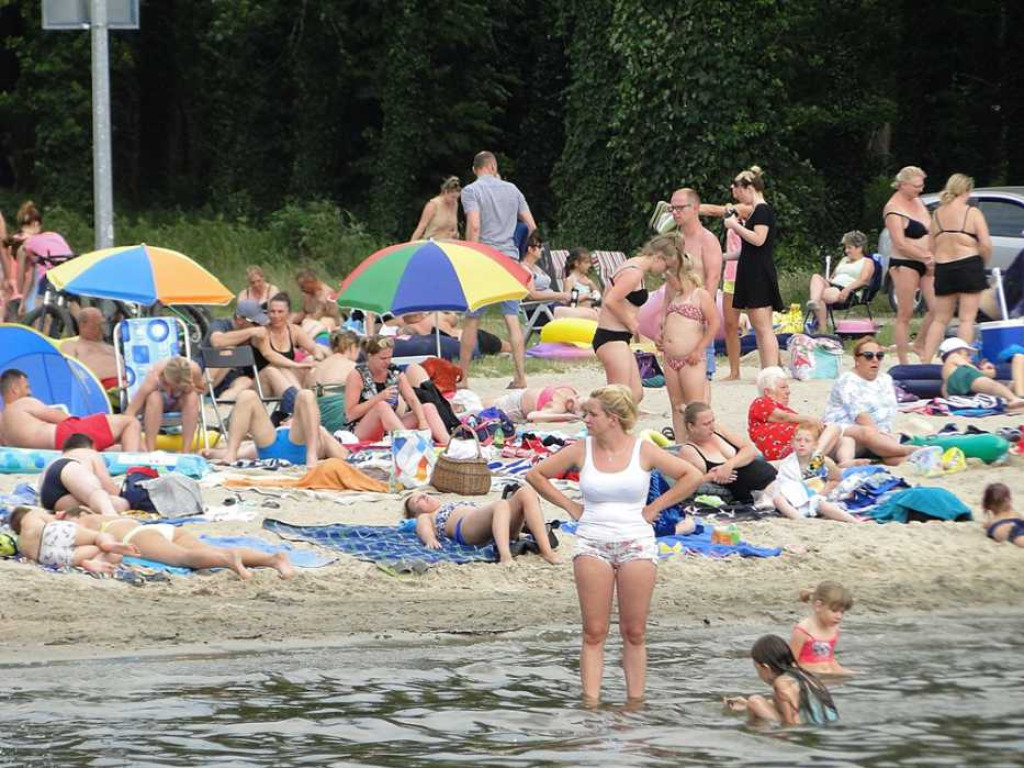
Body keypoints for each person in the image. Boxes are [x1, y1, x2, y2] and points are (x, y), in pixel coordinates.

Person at [526, 385, 704, 703]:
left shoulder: (643, 450)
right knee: (594, 632)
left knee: (634, 632)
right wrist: (571, 507)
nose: (586, 419)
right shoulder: (582, 449)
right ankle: (591, 704)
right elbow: (536, 475)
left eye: (592, 414)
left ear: (613, 418)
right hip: (592, 541)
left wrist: (654, 508)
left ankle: (635, 704)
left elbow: (691, 475)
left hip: (636, 541)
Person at [458, 151, 538, 389]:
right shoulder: (513, 190)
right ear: (493, 166)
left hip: (484, 258)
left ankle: (463, 378)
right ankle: (521, 376)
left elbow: (474, 225)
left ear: (476, 169)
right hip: (510, 260)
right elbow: (532, 226)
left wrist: (470, 255)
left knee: (471, 319)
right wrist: (521, 253)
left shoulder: (471, 191)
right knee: (512, 318)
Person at [64, 507, 295, 579]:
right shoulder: (110, 516)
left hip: (135, 538)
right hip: (163, 529)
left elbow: (97, 544)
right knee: (208, 549)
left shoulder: (86, 522)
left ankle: (228, 560)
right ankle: (273, 560)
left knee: (184, 558)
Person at [593, 234, 679, 404]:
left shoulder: (634, 266)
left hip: (620, 338)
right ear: (659, 257)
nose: (664, 271)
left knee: (636, 393)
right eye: (666, 266)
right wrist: (631, 323)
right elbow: (610, 300)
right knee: (619, 397)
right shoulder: (633, 272)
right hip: (611, 336)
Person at [822, 337, 932, 465]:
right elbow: (860, 416)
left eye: (879, 356)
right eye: (868, 356)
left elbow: (888, 413)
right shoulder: (848, 380)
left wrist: (884, 435)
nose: (875, 359)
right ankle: (910, 450)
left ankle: (920, 459)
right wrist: (879, 434)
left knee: (891, 457)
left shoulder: (885, 379)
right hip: (844, 429)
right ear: (857, 359)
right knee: (867, 432)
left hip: (877, 434)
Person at [920, 174, 993, 361]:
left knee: (940, 319)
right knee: (967, 319)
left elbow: (931, 246)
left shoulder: (937, 214)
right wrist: (982, 261)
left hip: (944, 267)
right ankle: (962, 359)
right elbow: (985, 243)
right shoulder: (972, 213)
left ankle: (926, 359)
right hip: (968, 263)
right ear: (966, 191)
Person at [403, 484, 558, 565]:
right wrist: (430, 539)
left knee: (526, 492)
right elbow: (423, 527)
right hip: (465, 529)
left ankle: (546, 551)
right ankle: (505, 556)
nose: (424, 496)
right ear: (415, 513)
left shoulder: (446, 504)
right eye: (419, 500)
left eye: (424, 494)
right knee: (501, 504)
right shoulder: (426, 516)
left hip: (495, 524)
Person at [724, 166, 783, 368]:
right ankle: (767, 368)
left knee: (763, 327)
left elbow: (759, 240)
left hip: (759, 275)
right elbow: (750, 250)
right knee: (760, 328)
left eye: (740, 192)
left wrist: (735, 226)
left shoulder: (762, 210)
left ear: (750, 188)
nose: (740, 199)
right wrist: (723, 256)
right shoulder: (757, 211)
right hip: (751, 271)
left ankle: (772, 368)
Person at [342, 336, 450, 445]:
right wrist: (379, 398)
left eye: (390, 357)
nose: (387, 362)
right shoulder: (357, 375)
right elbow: (350, 415)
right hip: (362, 429)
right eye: (383, 358)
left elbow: (412, 399)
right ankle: (409, 443)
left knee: (427, 408)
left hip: (389, 427)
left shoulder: (394, 372)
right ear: (370, 356)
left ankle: (449, 445)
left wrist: (422, 421)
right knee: (382, 406)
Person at [0, 369, 141, 452]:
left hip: (55, 447)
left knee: (119, 439)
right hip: (64, 437)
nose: (30, 392)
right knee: (129, 423)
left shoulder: (2, 420)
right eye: (27, 387)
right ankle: (133, 469)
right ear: (15, 389)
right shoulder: (23, 403)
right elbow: (61, 418)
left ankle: (145, 458)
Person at [204, 388, 348, 467]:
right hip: (271, 447)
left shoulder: (318, 431)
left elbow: (343, 456)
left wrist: (321, 432)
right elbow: (244, 452)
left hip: (302, 447)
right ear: (282, 423)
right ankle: (231, 454)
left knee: (306, 394)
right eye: (287, 418)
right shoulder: (277, 432)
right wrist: (212, 454)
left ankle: (312, 457)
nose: (290, 418)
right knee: (247, 395)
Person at [669, 187, 723, 393]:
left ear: (695, 208)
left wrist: (703, 314)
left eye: (680, 208)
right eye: (672, 208)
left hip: (698, 312)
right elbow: (670, 281)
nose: (675, 212)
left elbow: (713, 277)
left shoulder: (707, 240)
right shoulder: (675, 240)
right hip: (678, 312)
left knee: (700, 380)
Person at [659, 250, 718, 440]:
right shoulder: (675, 297)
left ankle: (700, 443)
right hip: (670, 359)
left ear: (681, 275)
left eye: (669, 278)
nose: (668, 283)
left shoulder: (699, 295)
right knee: (676, 404)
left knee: (694, 406)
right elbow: (670, 323)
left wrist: (699, 348)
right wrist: (662, 338)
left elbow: (714, 323)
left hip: (690, 358)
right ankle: (680, 442)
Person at [700, 182, 755, 380]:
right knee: (731, 325)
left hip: (749, 274)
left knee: (760, 323)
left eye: (735, 186)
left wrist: (691, 207)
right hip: (731, 275)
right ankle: (734, 371)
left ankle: (774, 365)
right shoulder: (734, 211)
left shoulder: (750, 209)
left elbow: (716, 210)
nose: (732, 188)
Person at [724, 634, 839, 725]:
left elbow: (791, 725)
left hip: (809, 729)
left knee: (755, 701)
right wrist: (746, 705)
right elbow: (794, 706)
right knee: (755, 703)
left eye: (757, 669)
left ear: (766, 667)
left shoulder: (781, 684)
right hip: (828, 724)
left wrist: (752, 706)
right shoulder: (803, 675)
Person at [884, 166, 936, 364]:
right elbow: (900, 243)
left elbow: (930, 230)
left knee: (936, 308)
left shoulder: (918, 202)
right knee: (906, 312)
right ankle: (903, 359)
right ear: (903, 184)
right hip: (905, 262)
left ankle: (920, 343)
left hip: (926, 261)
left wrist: (932, 255)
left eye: (921, 185)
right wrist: (923, 256)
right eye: (916, 186)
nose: (920, 189)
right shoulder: (893, 208)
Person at [678, 402, 777, 504]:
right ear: (691, 426)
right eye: (706, 424)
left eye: (712, 421)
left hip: (771, 476)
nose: (711, 426)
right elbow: (686, 485)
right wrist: (711, 476)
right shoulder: (689, 451)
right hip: (753, 491)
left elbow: (750, 449)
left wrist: (729, 465)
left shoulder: (718, 430)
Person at [748, 367, 844, 462]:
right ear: (767, 392)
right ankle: (813, 463)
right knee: (833, 428)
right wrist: (809, 419)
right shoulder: (760, 402)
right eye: (783, 388)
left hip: (804, 447)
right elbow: (784, 417)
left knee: (844, 440)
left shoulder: (787, 412)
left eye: (787, 387)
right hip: (787, 453)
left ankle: (844, 464)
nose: (788, 392)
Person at [9, 505, 137, 574]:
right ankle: (107, 543)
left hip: (45, 556)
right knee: (97, 538)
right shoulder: (33, 515)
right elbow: (55, 522)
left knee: (98, 551)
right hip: (49, 532)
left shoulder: (21, 544)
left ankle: (91, 562)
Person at [771, 425, 860, 523]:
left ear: (815, 445)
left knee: (822, 504)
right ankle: (800, 520)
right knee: (777, 499)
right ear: (792, 443)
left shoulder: (821, 460)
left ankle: (855, 522)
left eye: (807, 441)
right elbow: (782, 484)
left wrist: (823, 492)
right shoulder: (788, 462)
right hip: (795, 497)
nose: (802, 444)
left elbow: (836, 479)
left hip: (821, 493)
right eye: (798, 440)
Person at [122, 356, 204, 453]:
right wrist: (138, 440)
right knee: (154, 396)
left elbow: (201, 389)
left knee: (192, 397)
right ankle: (149, 449)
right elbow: (130, 411)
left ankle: (186, 451)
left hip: (178, 404)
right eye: (166, 384)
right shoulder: (154, 376)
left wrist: (190, 388)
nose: (170, 390)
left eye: (176, 387)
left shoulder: (194, 370)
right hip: (155, 406)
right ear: (163, 377)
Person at [251, 292, 326, 397]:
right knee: (276, 368)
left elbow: (314, 348)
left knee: (311, 362)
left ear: (289, 313)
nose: (276, 316)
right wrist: (298, 365)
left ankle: (318, 398)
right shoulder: (261, 333)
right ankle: (300, 400)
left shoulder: (294, 330)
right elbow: (270, 356)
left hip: (286, 382)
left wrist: (316, 360)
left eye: (280, 312)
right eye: (272, 312)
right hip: (261, 384)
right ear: (267, 313)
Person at [37, 433, 128, 516]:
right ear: (92, 446)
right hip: (67, 468)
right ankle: (110, 515)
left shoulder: (58, 458)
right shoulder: (89, 453)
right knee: (95, 493)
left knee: (120, 504)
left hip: (49, 499)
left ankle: (104, 513)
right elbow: (107, 484)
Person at [806, 231, 876, 332]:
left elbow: (864, 280)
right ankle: (815, 302)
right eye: (846, 247)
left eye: (849, 248)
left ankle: (822, 328)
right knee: (816, 277)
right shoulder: (844, 260)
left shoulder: (867, 262)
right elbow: (833, 277)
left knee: (821, 295)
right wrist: (826, 281)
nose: (846, 250)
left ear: (859, 248)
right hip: (832, 286)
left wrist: (847, 289)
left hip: (848, 291)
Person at [521, 233, 598, 321]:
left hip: (553, 306)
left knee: (595, 313)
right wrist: (561, 295)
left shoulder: (536, 268)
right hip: (541, 311)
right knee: (592, 316)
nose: (542, 249)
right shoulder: (524, 269)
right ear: (530, 249)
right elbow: (532, 295)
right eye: (539, 246)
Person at [203, 299, 269, 400]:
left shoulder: (254, 335)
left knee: (246, 381)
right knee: (228, 352)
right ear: (239, 319)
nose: (259, 326)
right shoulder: (220, 324)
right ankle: (199, 397)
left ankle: (222, 405)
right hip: (207, 374)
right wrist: (251, 331)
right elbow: (217, 341)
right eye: (255, 323)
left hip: (230, 379)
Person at [790, 582, 855, 675]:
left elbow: (829, 658)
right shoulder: (803, 630)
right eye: (834, 611)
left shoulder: (834, 629)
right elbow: (791, 663)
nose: (839, 616)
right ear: (818, 606)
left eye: (842, 612)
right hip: (810, 676)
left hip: (828, 674)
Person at [939, 338, 1024, 406]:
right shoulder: (954, 356)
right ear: (956, 351)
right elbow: (969, 369)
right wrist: (979, 371)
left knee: (1000, 387)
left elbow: (947, 391)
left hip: (955, 387)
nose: (970, 359)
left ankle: (1009, 397)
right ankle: (1013, 399)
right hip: (966, 376)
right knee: (992, 386)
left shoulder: (946, 373)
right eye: (967, 355)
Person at [60, 307, 118, 391]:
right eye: (99, 325)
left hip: (128, 383)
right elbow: (69, 371)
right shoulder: (71, 345)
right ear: (83, 325)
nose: (102, 328)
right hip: (103, 388)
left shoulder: (111, 347)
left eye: (103, 324)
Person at [488, 384, 582, 423]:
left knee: (488, 403)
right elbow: (532, 416)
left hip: (521, 395)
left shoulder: (569, 390)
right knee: (480, 410)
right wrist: (565, 417)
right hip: (515, 408)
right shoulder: (558, 407)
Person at [410, 175, 461, 240]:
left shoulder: (455, 204)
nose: (454, 200)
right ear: (445, 192)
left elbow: (455, 228)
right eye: (453, 197)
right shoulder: (433, 205)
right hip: (432, 242)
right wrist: (411, 244)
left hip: (449, 243)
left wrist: (455, 233)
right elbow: (421, 227)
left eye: (457, 198)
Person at [294, 268, 341, 333]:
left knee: (320, 322)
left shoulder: (326, 294)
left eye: (302, 286)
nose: (301, 289)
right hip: (311, 319)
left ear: (311, 283)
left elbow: (317, 316)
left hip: (327, 321)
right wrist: (291, 322)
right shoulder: (307, 294)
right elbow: (304, 311)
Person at [981, 483, 1024, 547]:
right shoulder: (1015, 514)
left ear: (989, 506)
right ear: (1008, 500)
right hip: (1018, 524)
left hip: (1006, 529)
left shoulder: (992, 521)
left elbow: (985, 526)